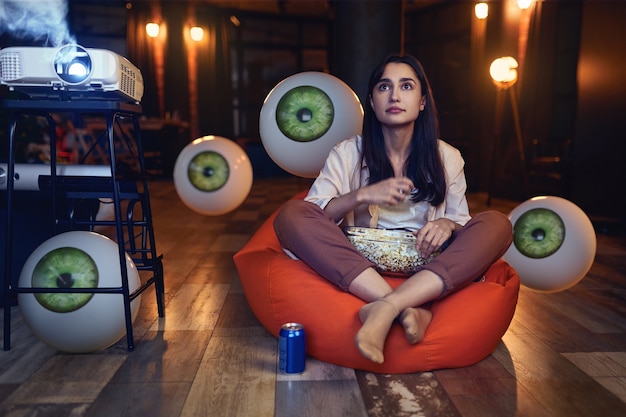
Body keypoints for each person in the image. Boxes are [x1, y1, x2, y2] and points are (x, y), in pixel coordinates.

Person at [273, 54, 513, 364]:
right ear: (372, 102)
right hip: (359, 258)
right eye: (384, 87)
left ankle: (386, 307)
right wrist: (362, 195)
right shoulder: (348, 152)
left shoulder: (448, 156)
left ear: (422, 101)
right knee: (290, 215)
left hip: (427, 260)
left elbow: (461, 221)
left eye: (407, 86)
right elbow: (316, 213)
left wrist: (447, 226)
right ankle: (410, 308)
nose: (395, 95)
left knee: (499, 224)